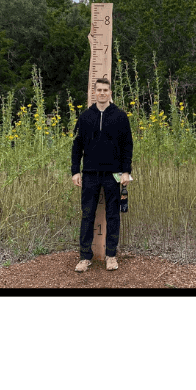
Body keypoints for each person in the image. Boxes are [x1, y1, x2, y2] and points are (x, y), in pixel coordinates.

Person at [71, 70, 133, 272]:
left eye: (106, 90)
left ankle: (111, 256)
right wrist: (75, 171)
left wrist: (126, 172)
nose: (102, 93)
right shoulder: (85, 117)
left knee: (113, 214)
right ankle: (84, 257)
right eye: (99, 90)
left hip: (113, 174)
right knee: (87, 214)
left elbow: (127, 146)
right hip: (89, 173)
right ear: (94, 92)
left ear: (110, 92)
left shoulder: (120, 117)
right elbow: (77, 146)